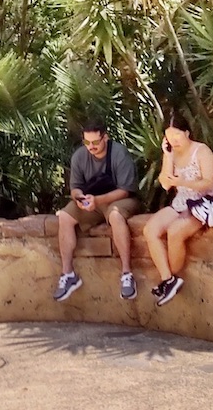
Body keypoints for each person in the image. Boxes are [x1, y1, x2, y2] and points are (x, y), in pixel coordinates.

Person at [53, 119, 141, 303]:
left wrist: (98, 200)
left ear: (105, 138)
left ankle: (126, 273)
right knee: (65, 217)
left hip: (120, 199)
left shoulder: (119, 153)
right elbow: (75, 188)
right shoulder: (79, 156)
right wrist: (79, 198)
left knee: (116, 217)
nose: (91, 147)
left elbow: (125, 190)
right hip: (91, 201)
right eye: (87, 142)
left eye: (95, 142)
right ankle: (68, 274)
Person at [143, 112, 213, 306]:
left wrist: (184, 181)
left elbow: (209, 182)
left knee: (175, 232)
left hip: (203, 203)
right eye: (169, 137)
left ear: (186, 132)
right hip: (180, 202)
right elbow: (165, 184)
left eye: (177, 135)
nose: (173, 140)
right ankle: (169, 279)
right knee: (150, 230)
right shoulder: (172, 153)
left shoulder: (202, 151)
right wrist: (167, 156)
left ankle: (169, 280)